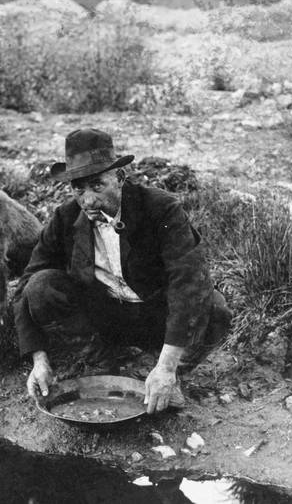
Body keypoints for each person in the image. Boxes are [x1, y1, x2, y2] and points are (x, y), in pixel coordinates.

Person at [13, 128, 231, 413]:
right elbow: (26, 285)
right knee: (41, 285)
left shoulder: (161, 209)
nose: (88, 200)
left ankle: (169, 374)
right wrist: (39, 360)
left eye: (97, 186)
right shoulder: (65, 218)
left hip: (156, 315)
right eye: (79, 189)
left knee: (215, 308)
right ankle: (102, 363)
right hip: (105, 319)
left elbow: (189, 281)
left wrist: (167, 366)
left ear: (120, 177)